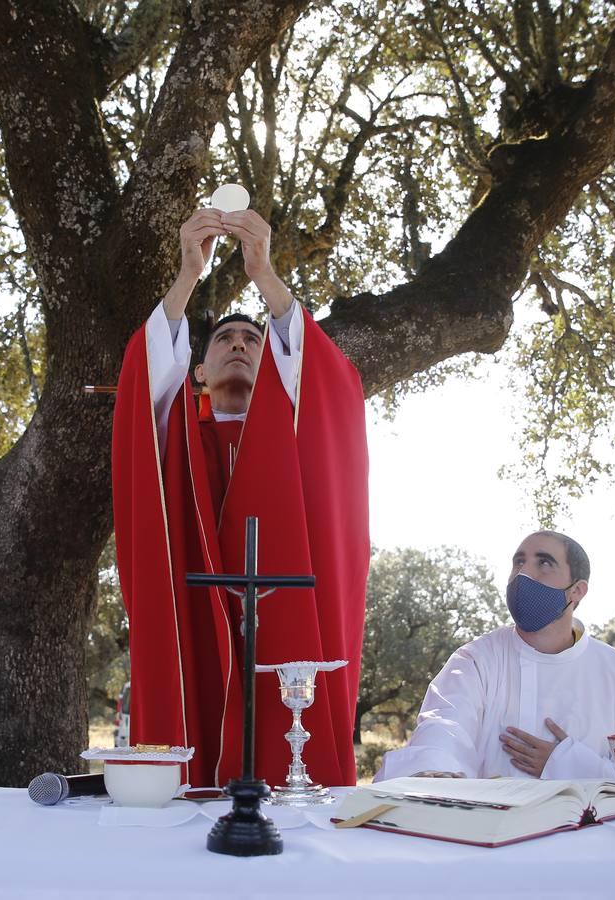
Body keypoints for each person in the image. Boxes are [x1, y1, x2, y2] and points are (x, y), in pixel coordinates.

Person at [113, 208, 369, 789]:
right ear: (196, 372)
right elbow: (145, 387)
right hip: (193, 619)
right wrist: (186, 276)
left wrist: (264, 275)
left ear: (274, 362)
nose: (238, 345)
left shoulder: (296, 447)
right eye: (223, 338)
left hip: (284, 621)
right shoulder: (174, 444)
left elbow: (331, 385)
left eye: (253, 339)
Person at [377, 531, 615, 781]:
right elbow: (443, 727)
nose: (523, 573)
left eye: (544, 563)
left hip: (592, 842)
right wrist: (433, 774)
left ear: (577, 591)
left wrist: (566, 763)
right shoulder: (476, 660)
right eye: (519, 561)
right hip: (489, 837)